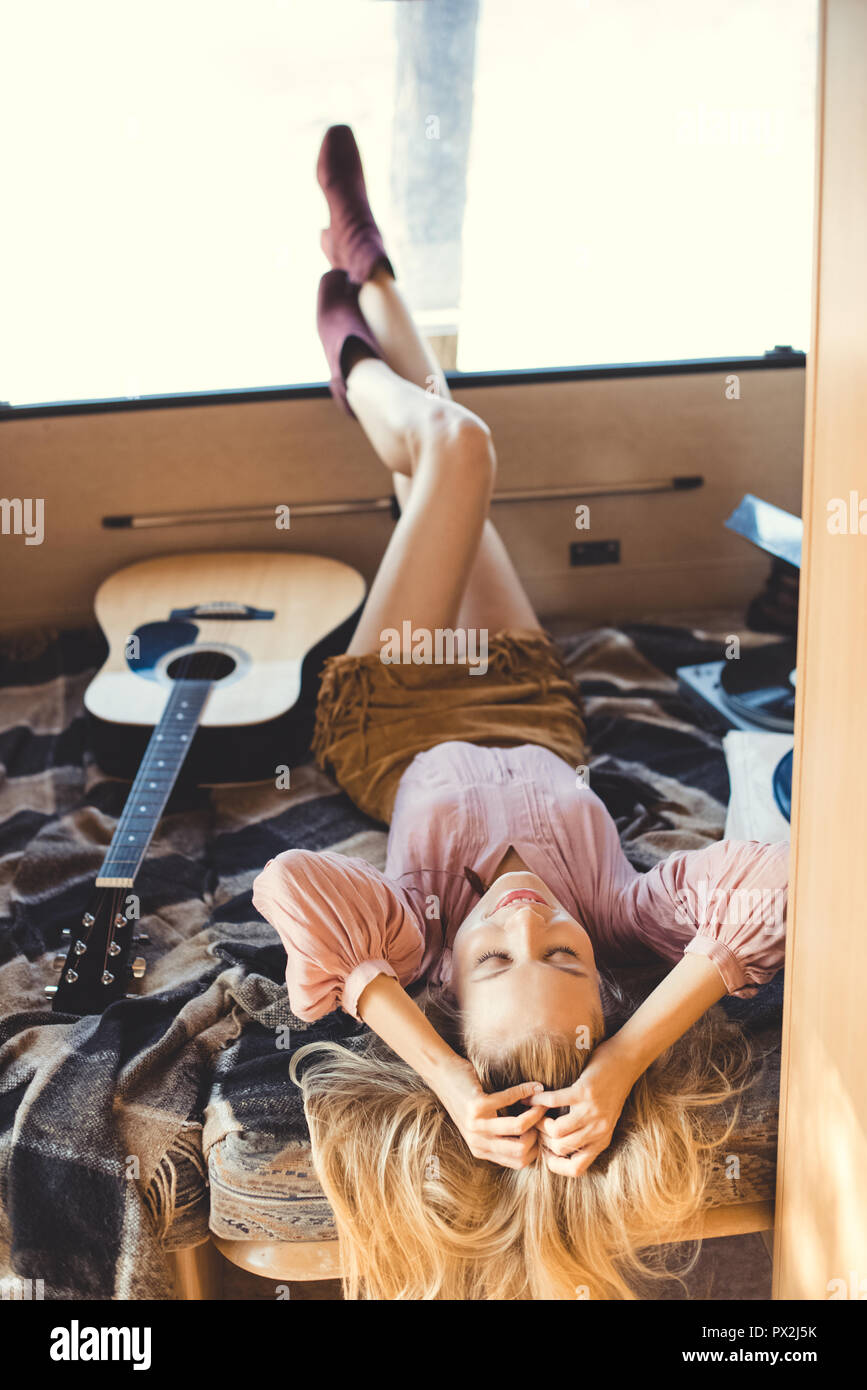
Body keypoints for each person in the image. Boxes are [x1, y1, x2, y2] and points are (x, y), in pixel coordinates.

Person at [252, 126, 788, 1299]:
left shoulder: (411, 931)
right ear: (606, 976)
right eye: (565, 954)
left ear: (450, 980)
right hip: (533, 700)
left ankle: (349, 339)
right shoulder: (624, 906)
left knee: (455, 448)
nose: (531, 914)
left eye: (501, 954)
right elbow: (785, 885)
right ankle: (370, 271)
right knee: (443, 442)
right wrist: (632, 1058)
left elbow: (286, 889)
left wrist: (445, 1077)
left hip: (395, 707)